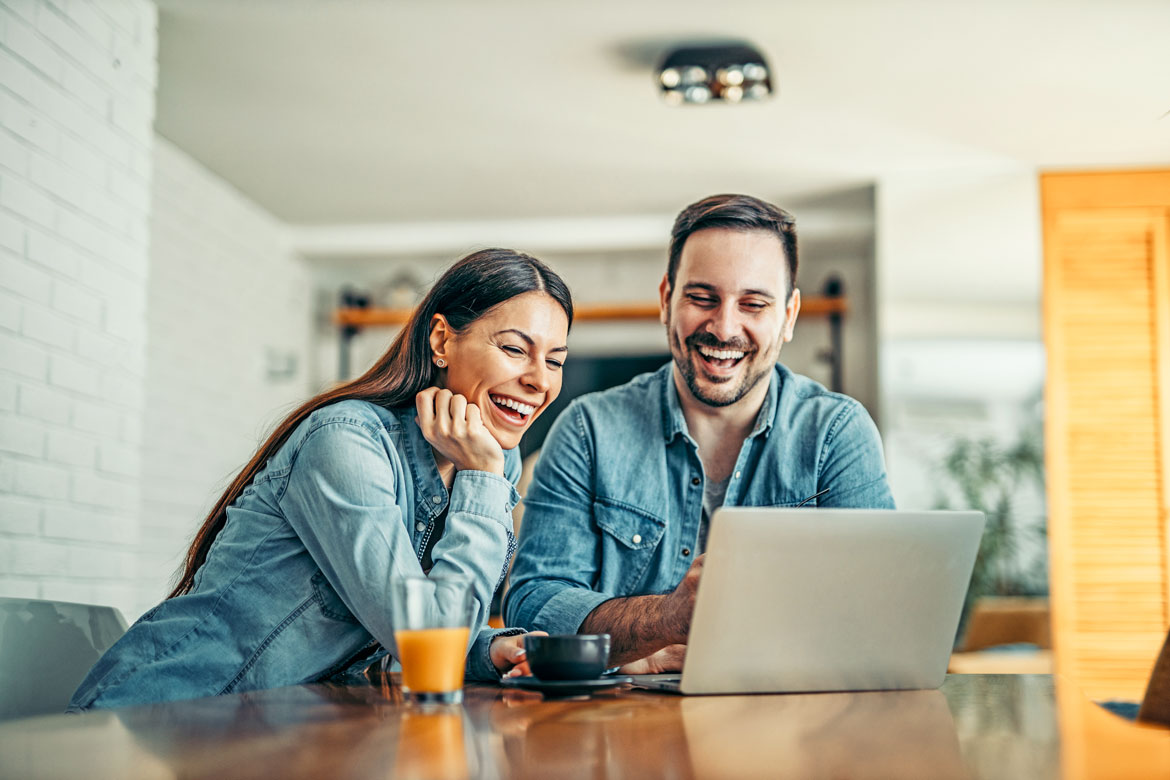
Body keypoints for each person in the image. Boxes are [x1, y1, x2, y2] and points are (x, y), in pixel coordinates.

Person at [69, 248, 572, 710]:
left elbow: (416, 622)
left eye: (554, 360)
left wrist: (494, 648)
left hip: (272, 729)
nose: (540, 380)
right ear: (441, 340)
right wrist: (482, 480)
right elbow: (423, 638)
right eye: (514, 349)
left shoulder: (486, 460)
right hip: (160, 718)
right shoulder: (347, 441)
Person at [504, 194, 894, 672]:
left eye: (753, 303)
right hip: (620, 734)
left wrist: (632, 646)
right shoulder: (588, 430)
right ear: (667, 300)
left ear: (788, 316)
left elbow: (878, 615)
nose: (724, 327)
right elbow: (534, 604)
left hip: (791, 733)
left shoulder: (837, 433)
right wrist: (666, 618)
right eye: (702, 298)